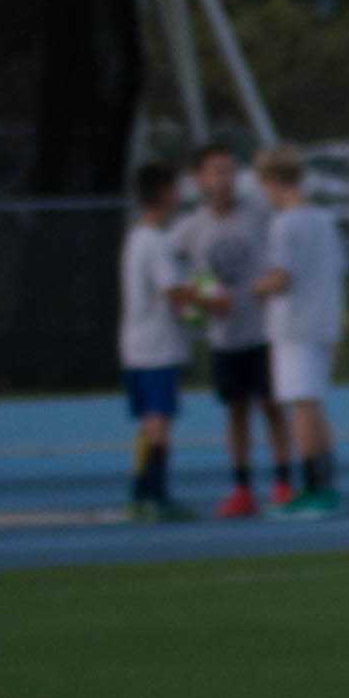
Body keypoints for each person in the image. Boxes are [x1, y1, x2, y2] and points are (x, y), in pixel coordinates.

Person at [250, 143, 349, 515]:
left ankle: (312, 487)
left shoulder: (285, 224)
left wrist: (253, 288)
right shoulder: (323, 219)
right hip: (323, 321)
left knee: (302, 408)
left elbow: (281, 277)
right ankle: (325, 482)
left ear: (272, 181)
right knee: (314, 405)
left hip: (295, 326)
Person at [181, 142, 272, 518]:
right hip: (225, 337)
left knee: (274, 409)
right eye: (217, 171)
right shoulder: (191, 228)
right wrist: (201, 306)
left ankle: (283, 482)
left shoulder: (258, 214)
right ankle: (241, 487)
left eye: (231, 171)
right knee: (236, 413)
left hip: (262, 332)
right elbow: (185, 281)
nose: (226, 179)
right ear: (201, 179)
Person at [113, 162, 198, 524]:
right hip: (157, 344)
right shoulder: (158, 241)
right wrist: (209, 296)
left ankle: (139, 493)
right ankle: (155, 494)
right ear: (164, 193)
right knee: (159, 420)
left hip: (135, 342)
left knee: (148, 422)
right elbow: (173, 292)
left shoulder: (136, 237)